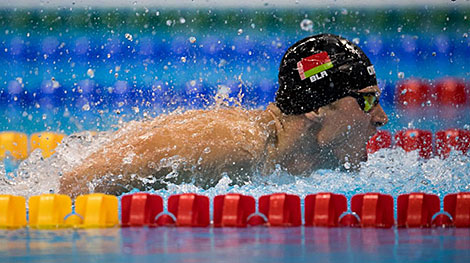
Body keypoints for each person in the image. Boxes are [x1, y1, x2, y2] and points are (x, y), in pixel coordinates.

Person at [59, 33, 388, 198]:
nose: (381, 118)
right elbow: (73, 185)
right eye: (368, 100)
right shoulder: (234, 145)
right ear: (317, 107)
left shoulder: (294, 157)